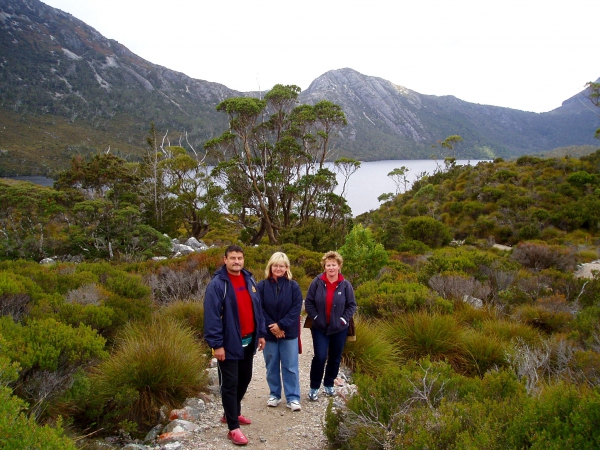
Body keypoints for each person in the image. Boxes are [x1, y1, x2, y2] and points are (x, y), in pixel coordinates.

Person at [204, 245, 266, 446]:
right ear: (225, 260)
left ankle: (232, 412)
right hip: (228, 343)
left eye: (240, 258)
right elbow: (212, 317)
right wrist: (217, 345)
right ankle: (233, 428)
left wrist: (261, 334)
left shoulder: (249, 279)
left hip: (249, 340)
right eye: (232, 258)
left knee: (245, 378)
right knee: (229, 384)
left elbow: (258, 308)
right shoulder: (217, 285)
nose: (237, 261)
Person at [304, 251, 357, 401]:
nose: (331, 268)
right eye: (328, 265)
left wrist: (343, 319)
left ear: (339, 266)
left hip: (339, 328)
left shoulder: (345, 285)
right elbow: (308, 302)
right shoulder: (317, 282)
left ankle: (329, 385)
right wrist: (315, 317)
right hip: (320, 327)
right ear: (324, 266)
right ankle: (314, 387)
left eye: (334, 265)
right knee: (320, 357)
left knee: (334, 357)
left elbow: (352, 305)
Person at [257, 252, 303, 412]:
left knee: (290, 366)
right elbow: (259, 308)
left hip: (288, 333)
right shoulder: (261, 286)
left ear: (286, 268)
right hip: (269, 334)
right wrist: (273, 326)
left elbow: (296, 309)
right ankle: (274, 395)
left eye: (281, 266)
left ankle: (293, 398)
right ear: (270, 266)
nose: (278, 268)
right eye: (275, 265)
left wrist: (281, 326)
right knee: (271, 366)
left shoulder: (293, 286)